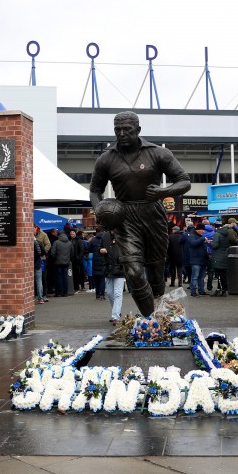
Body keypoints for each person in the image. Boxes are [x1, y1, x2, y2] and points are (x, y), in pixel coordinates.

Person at [89, 111, 191, 316]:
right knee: (134, 272)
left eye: (127, 129)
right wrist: (100, 210)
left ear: (138, 130)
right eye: (117, 129)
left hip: (153, 213)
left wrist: (164, 192)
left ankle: (160, 311)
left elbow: (184, 181)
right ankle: (150, 318)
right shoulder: (106, 159)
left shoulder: (157, 153)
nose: (122, 133)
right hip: (125, 217)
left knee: (156, 270)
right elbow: (95, 190)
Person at [210, 217, 238, 297]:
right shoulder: (227, 233)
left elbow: (215, 245)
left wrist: (210, 243)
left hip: (218, 256)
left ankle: (220, 290)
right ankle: (224, 290)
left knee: (218, 274)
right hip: (225, 255)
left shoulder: (217, 234)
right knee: (223, 274)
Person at [103, 229, 126, 324]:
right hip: (108, 268)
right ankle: (116, 312)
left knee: (117, 293)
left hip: (119, 268)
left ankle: (115, 316)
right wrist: (101, 250)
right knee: (109, 293)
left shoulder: (123, 235)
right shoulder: (105, 236)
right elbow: (99, 247)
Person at [185, 223, 209, 296]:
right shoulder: (191, 236)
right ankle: (193, 291)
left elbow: (204, 248)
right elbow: (193, 243)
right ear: (198, 229)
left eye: (203, 230)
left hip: (203, 260)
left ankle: (201, 290)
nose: (203, 231)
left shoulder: (201, 236)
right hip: (196, 260)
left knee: (201, 277)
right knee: (195, 277)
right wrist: (202, 239)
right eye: (202, 230)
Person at [50, 226, 72, 297]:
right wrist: (68, 258)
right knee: (65, 277)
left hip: (58, 262)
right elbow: (72, 253)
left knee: (59, 277)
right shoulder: (69, 243)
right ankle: (65, 292)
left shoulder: (56, 242)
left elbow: (52, 253)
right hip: (66, 262)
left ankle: (59, 292)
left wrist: (55, 259)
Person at [34, 225, 50, 304]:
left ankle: (43, 296)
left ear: (36, 228)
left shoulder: (43, 235)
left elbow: (48, 244)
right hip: (36, 261)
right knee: (38, 279)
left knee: (42, 278)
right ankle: (38, 296)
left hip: (41, 260)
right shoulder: (36, 239)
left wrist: (43, 253)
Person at [89, 230, 107, 300]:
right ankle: (102, 294)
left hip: (95, 261)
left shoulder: (93, 240)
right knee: (102, 278)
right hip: (103, 260)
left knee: (96, 278)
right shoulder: (105, 239)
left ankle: (97, 294)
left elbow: (89, 249)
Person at [70, 228, 87, 292]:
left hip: (78, 260)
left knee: (80, 273)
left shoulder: (78, 240)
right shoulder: (70, 240)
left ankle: (82, 285)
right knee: (75, 273)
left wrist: (79, 258)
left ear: (75, 233)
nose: (72, 234)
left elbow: (81, 250)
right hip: (73, 260)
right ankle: (76, 286)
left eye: (73, 233)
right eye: (71, 233)